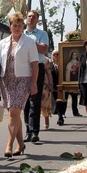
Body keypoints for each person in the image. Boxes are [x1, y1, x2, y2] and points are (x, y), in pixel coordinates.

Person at [0, 11, 38, 158]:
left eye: (20, 26)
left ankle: (9, 145)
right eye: (15, 25)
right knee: (15, 113)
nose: (18, 28)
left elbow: (34, 65)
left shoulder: (29, 42)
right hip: (6, 81)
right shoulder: (3, 43)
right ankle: (21, 144)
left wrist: (33, 83)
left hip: (23, 80)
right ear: (10, 27)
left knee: (14, 112)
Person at [23, 10, 49, 144]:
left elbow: (44, 49)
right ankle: (27, 130)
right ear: (26, 19)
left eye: (34, 17)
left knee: (35, 99)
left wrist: (29, 42)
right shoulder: (22, 34)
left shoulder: (42, 34)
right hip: (23, 68)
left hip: (37, 67)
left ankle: (34, 131)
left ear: (37, 20)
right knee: (25, 100)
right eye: (29, 16)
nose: (31, 19)